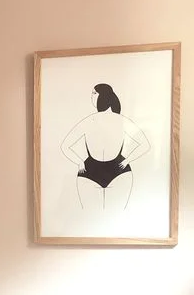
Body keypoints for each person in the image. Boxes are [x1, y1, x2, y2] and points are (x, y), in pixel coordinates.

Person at [60, 83, 150, 212]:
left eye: (94, 93)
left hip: (110, 172)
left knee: (107, 215)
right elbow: (65, 146)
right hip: (100, 171)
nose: (91, 97)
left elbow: (145, 145)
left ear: (102, 96)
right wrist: (127, 160)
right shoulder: (114, 120)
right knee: (93, 216)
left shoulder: (92, 121)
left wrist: (79, 161)